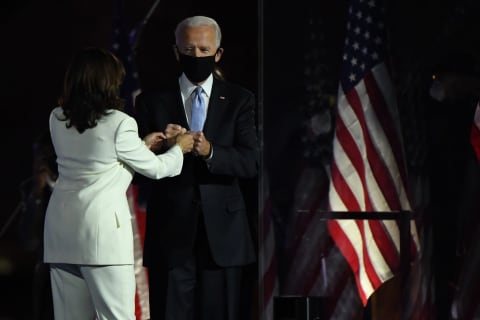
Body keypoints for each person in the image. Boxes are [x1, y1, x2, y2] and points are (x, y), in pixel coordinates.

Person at [43, 47, 194, 320]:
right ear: (107, 82)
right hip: (103, 240)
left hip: (61, 234)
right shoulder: (119, 123)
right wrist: (179, 148)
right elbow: (159, 170)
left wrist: (143, 145)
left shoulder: (56, 118)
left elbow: (100, 165)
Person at [134, 15, 259, 320]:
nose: (196, 57)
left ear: (218, 54)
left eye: (204, 50)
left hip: (223, 235)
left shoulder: (240, 100)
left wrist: (209, 151)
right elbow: (139, 167)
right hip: (171, 233)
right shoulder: (151, 101)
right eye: (189, 51)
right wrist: (165, 147)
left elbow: (250, 161)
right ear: (176, 52)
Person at [17, 132, 56, 320]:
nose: (41, 164)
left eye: (46, 157)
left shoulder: (74, 186)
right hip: (46, 276)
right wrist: (37, 197)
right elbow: (29, 241)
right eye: (38, 158)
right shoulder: (32, 190)